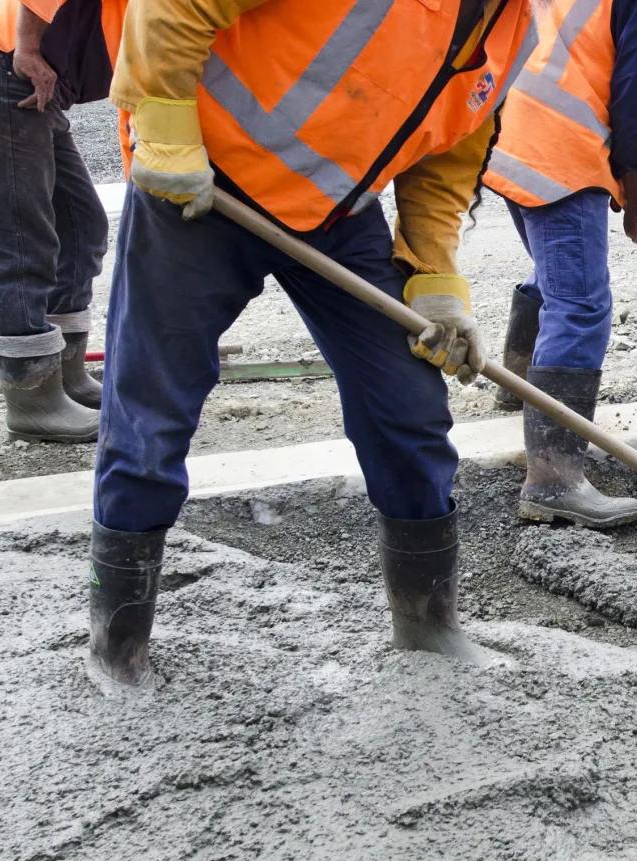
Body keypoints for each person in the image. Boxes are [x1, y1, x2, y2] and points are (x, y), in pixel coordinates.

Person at [86, 0, 535, 690]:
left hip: (336, 213)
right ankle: (118, 649)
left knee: (408, 409)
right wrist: (166, 123)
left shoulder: (510, 26)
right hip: (204, 182)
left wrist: (434, 275)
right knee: (151, 415)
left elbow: (448, 154)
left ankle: (428, 625)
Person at [483, 0, 637, 529]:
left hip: (508, 126)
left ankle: (519, 389)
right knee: (579, 304)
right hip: (557, 144)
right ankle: (553, 482)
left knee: (554, 274)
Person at [0, 0, 111, 442]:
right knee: (22, 239)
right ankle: (32, 397)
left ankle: (68, 377)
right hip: (6, 59)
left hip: (24, 61)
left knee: (80, 225)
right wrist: (28, 48)